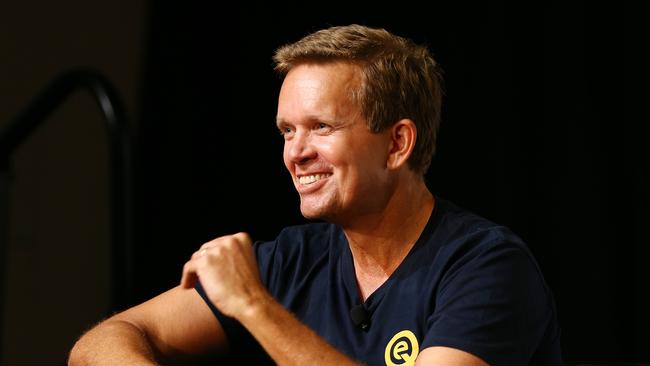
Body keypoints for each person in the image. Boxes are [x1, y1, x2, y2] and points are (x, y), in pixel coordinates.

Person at [69, 24, 563, 365]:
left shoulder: (488, 267)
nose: (295, 154)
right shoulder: (291, 260)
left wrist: (253, 305)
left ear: (397, 143)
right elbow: (101, 344)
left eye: (321, 127)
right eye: (287, 131)